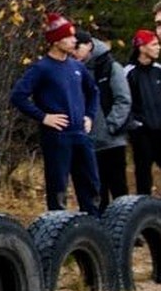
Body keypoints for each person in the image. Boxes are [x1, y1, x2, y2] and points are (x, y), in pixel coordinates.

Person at [9, 12, 100, 214]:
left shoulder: (77, 66)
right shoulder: (42, 68)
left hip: (80, 134)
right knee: (58, 187)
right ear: (56, 41)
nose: (74, 40)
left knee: (91, 185)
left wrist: (89, 116)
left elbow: (93, 92)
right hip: (57, 137)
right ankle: (57, 229)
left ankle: (94, 228)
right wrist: (43, 117)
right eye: (69, 36)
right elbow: (18, 96)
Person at [72, 28, 132, 210]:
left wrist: (110, 126)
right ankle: (101, 235)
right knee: (96, 194)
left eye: (77, 47)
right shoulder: (74, 69)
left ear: (89, 46)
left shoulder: (110, 66)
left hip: (112, 142)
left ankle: (127, 235)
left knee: (119, 193)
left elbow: (123, 99)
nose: (73, 51)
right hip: (87, 142)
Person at [125, 28, 161, 195]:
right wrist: (135, 124)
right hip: (142, 133)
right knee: (143, 174)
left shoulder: (158, 69)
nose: (158, 47)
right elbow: (124, 102)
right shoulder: (128, 73)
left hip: (160, 130)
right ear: (142, 47)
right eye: (154, 44)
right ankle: (145, 215)